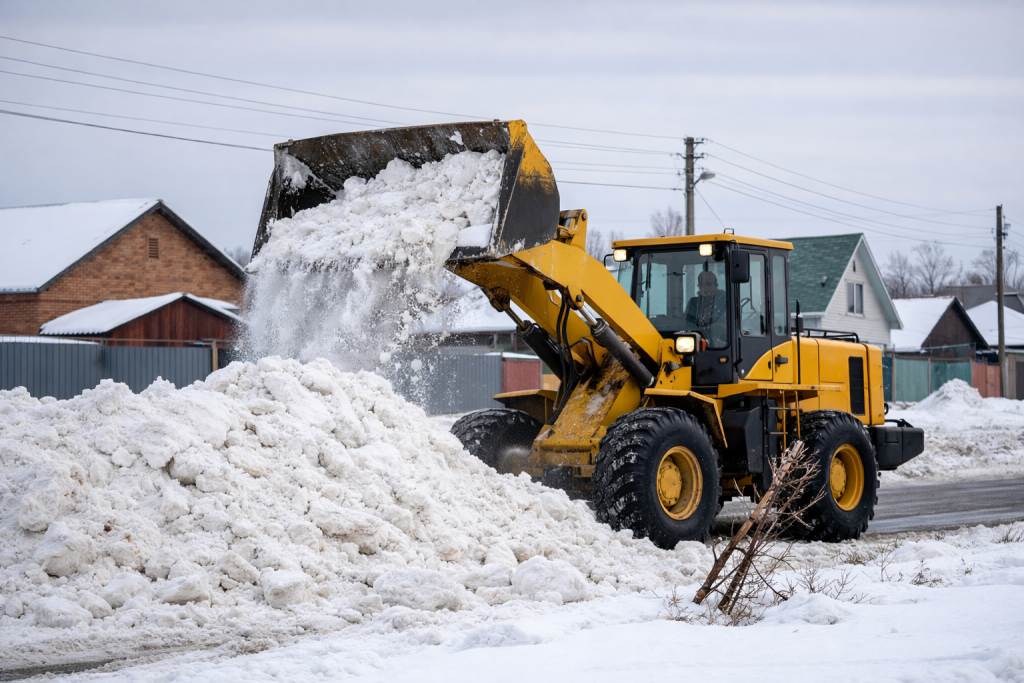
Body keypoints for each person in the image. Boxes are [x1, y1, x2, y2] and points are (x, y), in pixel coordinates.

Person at [685, 270, 728, 346]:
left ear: (716, 285)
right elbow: (687, 324)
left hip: (723, 344)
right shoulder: (693, 303)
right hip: (696, 343)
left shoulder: (726, 301)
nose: (706, 288)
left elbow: (733, 327)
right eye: (703, 284)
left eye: (709, 284)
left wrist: (716, 325)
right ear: (698, 286)